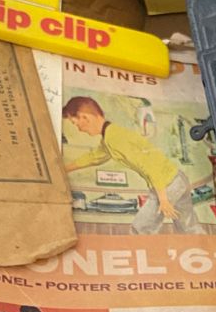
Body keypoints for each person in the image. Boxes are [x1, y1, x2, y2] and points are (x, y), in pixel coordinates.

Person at [63, 96, 204, 235]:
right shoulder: (110, 136)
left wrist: (163, 199)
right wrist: (65, 169)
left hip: (167, 184)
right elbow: (94, 157)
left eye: (75, 123)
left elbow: (149, 165)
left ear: (85, 117)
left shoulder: (115, 138)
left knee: (140, 229)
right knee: (189, 227)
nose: (79, 129)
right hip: (177, 178)